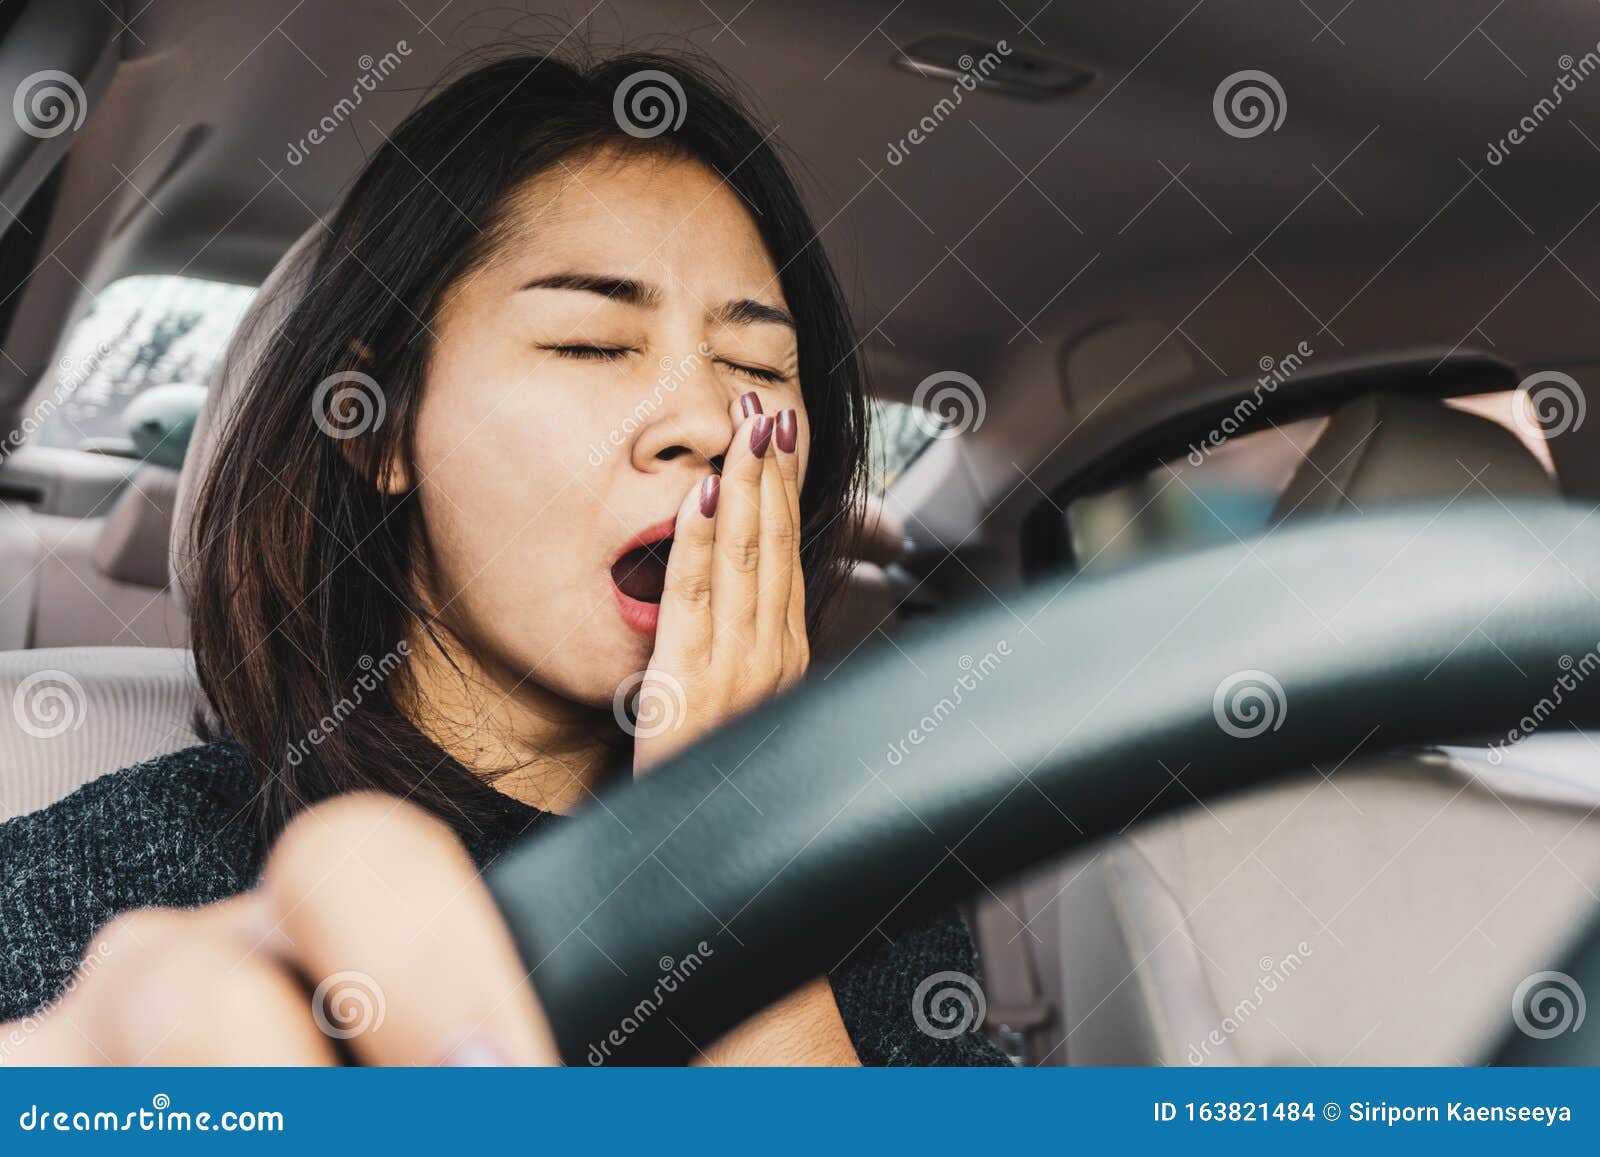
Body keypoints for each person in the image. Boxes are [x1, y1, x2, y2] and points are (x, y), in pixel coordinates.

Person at [0, 49, 1008, 1067]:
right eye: (591, 343)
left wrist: (722, 850)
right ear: (379, 429)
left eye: (755, 366)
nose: (705, 419)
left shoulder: (876, 901)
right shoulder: (102, 887)